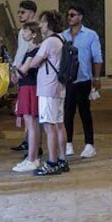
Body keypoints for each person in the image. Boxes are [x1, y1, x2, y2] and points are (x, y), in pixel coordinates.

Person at [22, 10, 69, 176]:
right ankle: (62, 159)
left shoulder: (49, 42)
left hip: (48, 88)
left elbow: (34, 63)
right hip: (59, 87)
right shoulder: (61, 39)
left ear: (48, 23)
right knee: (59, 124)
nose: (40, 25)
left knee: (49, 127)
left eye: (42, 22)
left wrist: (29, 58)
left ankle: (52, 162)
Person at [63, 4, 103, 159]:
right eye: (68, 15)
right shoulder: (63, 35)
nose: (69, 18)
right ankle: (68, 143)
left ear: (80, 17)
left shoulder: (91, 35)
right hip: (67, 80)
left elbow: (97, 57)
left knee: (84, 111)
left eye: (72, 15)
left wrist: (97, 78)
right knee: (67, 112)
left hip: (83, 79)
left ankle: (89, 144)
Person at [11, 21, 42, 172]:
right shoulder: (32, 50)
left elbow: (22, 71)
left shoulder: (33, 51)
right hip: (27, 87)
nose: (23, 34)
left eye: (26, 31)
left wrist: (14, 69)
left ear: (34, 34)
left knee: (31, 125)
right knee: (31, 125)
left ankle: (32, 158)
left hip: (29, 88)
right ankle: (32, 157)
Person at [11, 0, 37, 152]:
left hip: (28, 74)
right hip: (24, 71)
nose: (20, 15)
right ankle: (29, 141)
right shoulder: (24, 31)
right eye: (19, 12)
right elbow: (20, 51)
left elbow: (24, 52)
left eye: (23, 12)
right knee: (28, 111)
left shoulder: (31, 32)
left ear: (32, 13)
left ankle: (33, 145)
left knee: (30, 112)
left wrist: (16, 70)